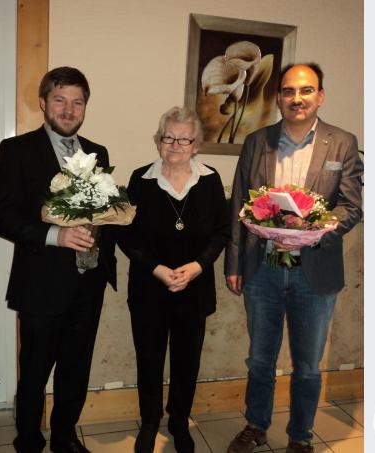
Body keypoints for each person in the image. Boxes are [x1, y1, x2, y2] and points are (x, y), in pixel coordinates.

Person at [224, 63, 363, 453]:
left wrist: (313, 230)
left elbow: (351, 206)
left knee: (307, 366)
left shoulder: (342, 143)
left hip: (314, 273)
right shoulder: (257, 142)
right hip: (262, 269)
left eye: (306, 90)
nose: (297, 98)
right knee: (259, 360)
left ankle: (301, 437)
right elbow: (239, 202)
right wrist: (234, 264)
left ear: (320, 96)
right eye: (288, 91)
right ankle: (256, 425)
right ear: (279, 97)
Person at [0, 66, 116, 453]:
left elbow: (104, 211)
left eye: (77, 102)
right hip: (40, 285)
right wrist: (54, 235)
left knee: (76, 370)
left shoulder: (98, 153)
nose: (69, 109)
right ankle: (29, 439)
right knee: (34, 373)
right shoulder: (16, 150)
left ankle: (64, 436)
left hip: (88, 284)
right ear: (43, 103)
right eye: (60, 99)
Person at [118, 106, 230, 453]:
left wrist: (197, 266)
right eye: (169, 138)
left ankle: (179, 421)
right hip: (149, 288)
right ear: (158, 141)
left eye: (184, 139)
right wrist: (156, 268)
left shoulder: (210, 180)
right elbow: (126, 235)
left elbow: (222, 231)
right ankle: (150, 421)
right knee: (149, 359)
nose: (176, 145)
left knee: (186, 362)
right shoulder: (140, 179)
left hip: (194, 289)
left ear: (197, 145)